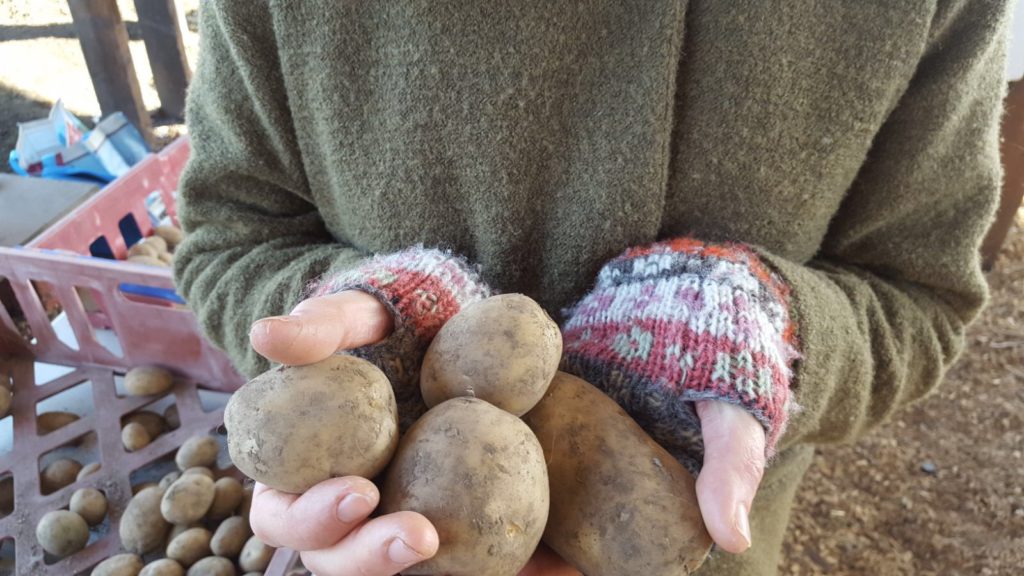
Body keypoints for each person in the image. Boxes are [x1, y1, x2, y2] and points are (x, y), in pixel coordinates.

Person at [173, 2, 1011, 575]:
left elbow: (918, 296)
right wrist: (361, 317)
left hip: (706, 546)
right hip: (406, 541)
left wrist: (761, 328)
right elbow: (235, 236)